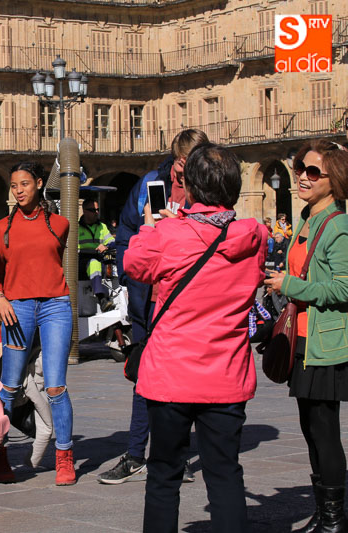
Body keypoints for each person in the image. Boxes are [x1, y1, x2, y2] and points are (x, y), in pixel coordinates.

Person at [124, 144, 266, 533]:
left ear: (190, 186)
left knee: (164, 473)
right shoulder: (254, 236)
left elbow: (134, 264)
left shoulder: (168, 234)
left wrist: (151, 226)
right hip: (226, 375)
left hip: (171, 374)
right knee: (224, 472)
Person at [102, 128, 209, 485]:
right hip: (147, 298)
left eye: (190, 164)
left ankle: (177, 455)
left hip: (184, 300)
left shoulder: (205, 190)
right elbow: (126, 231)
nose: (183, 171)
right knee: (142, 376)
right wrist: (129, 272)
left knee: (183, 379)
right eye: (180, 162)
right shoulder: (151, 183)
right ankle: (135, 454)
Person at [265, 139, 348, 533]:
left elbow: (344, 288)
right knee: (310, 429)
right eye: (300, 168)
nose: (302, 176)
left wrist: (291, 285)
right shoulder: (307, 219)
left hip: (324, 342)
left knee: (323, 429)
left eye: (313, 171)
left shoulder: (338, 226)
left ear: (335, 179)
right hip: (302, 339)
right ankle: (323, 513)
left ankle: (334, 519)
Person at [0, 162, 76, 486]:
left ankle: (64, 456)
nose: (19, 191)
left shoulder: (60, 224)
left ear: (39, 183)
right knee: (10, 386)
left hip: (56, 306)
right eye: (14, 185)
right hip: (17, 309)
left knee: (56, 386)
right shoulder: (2, 228)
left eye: (24, 184)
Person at [78, 198, 115, 310]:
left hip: (99, 259)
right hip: (81, 261)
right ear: (84, 211)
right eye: (93, 210)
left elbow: (112, 242)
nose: (96, 212)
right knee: (94, 263)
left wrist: (106, 246)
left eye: (97, 209)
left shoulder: (102, 226)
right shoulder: (76, 228)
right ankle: (102, 298)